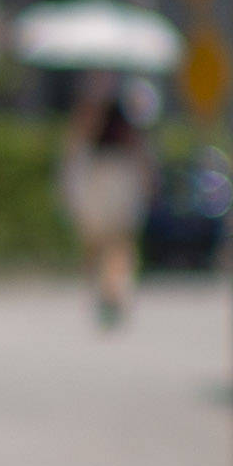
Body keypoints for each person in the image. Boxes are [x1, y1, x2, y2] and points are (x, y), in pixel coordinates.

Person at [59, 75, 160, 330]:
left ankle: (109, 290)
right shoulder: (117, 109)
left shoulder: (102, 110)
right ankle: (109, 290)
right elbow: (136, 146)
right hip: (110, 176)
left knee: (110, 241)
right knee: (111, 241)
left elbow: (75, 145)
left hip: (104, 176)